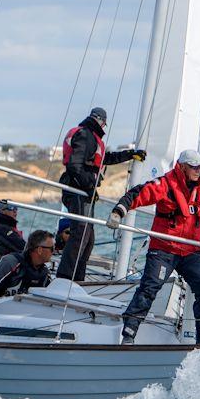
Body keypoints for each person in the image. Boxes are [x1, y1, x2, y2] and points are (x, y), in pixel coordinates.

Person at [106, 150, 200, 345]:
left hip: (190, 251)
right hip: (164, 248)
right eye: (194, 167)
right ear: (183, 167)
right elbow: (137, 194)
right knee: (149, 289)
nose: (198, 170)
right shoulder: (166, 184)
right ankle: (128, 334)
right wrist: (118, 213)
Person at [57, 106, 147, 281]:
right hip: (77, 190)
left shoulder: (91, 136)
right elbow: (75, 166)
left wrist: (131, 154)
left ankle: (77, 279)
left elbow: (106, 158)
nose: (104, 127)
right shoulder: (85, 135)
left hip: (83, 191)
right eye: (104, 124)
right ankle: (65, 278)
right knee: (80, 234)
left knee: (88, 239)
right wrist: (89, 187)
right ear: (100, 121)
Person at [0, 230, 55, 317]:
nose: (53, 252)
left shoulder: (44, 274)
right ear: (39, 250)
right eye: (51, 249)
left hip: (19, 318)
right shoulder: (11, 263)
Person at [0, 200, 25, 265]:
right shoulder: (1, 229)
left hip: (12, 265)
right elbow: (21, 246)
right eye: (11, 208)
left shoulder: (7, 227)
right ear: (2, 211)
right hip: (5, 268)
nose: (15, 211)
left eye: (16, 208)